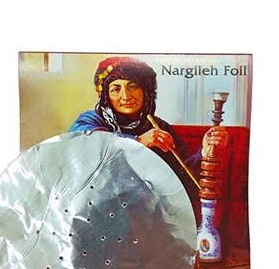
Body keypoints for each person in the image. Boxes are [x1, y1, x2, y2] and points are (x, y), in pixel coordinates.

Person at [69, 56, 227, 209]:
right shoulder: (91, 120)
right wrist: (138, 142)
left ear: (146, 91)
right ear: (106, 95)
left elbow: (182, 176)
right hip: (100, 210)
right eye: (116, 89)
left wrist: (205, 152)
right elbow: (86, 145)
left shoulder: (159, 127)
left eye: (133, 86)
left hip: (149, 214)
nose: (126, 96)